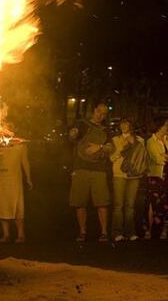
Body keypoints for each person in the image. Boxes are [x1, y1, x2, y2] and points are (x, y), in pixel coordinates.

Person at [69, 102, 114, 242]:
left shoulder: (105, 130)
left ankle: (104, 232)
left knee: (102, 202)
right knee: (80, 202)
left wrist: (99, 147)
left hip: (99, 169)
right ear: (94, 110)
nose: (101, 115)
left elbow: (111, 148)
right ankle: (82, 232)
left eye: (104, 113)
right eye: (99, 111)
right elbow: (72, 137)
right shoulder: (81, 124)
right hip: (80, 168)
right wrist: (73, 133)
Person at [0, 137, 33, 243]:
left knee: (16, 205)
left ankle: (21, 235)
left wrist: (28, 178)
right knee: (2, 206)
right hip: (0, 179)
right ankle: (6, 234)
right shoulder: (0, 144)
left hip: (14, 179)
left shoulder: (21, 145)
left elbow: (25, 161)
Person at [144, 117, 168, 240]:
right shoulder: (150, 141)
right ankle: (150, 228)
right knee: (153, 202)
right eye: (165, 125)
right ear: (159, 127)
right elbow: (157, 158)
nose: (167, 127)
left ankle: (165, 228)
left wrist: (167, 156)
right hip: (156, 175)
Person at [110, 118, 144, 242]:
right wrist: (121, 148)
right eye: (122, 124)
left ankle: (130, 231)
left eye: (126, 123)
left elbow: (141, 156)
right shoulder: (115, 140)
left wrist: (133, 144)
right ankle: (117, 232)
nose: (123, 126)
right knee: (118, 204)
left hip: (134, 175)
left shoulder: (139, 140)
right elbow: (112, 158)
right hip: (119, 174)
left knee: (130, 205)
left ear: (131, 125)